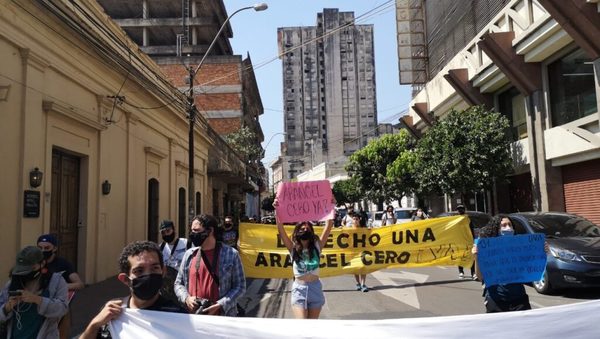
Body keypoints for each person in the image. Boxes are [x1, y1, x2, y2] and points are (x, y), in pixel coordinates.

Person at [80, 241, 185, 339]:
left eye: (154, 268)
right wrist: (94, 325)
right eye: (139, 271)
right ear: (125, 279)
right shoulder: (113, 312)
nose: (148, 275)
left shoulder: (177, 315)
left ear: (163, 271)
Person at [174, 214, 246, 316]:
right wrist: (186, 298)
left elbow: (240, 286)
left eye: (197, 230)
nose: (192, 234)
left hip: (222, 318)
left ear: (210, 231)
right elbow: (178, 284)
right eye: (192, 231)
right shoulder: (189, 254)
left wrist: (221, 304)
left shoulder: (231, 254)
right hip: (193, 318)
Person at [274, 200, 334, 319]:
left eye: (307, 229)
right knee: (302, 327)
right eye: (302, 229)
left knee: (311, 328)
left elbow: (329, 225)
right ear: (297, 232)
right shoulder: (292, 247)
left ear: (312, 232)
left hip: (315, 289)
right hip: (299, 290)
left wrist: (331, 205)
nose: (305, 231)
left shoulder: (317, 246)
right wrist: (277, 210)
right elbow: (280, 229)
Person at [0, 246, 68, 339]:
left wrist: (38, 300)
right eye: (22, 269)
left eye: (31, 268)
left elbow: (62, 308)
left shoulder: (56, 281)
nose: (26, 273)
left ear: (42, 263)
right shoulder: (12, 283)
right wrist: (7, 307)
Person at [472, 216, 532, 313]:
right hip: (496, 300)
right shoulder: (488, 250)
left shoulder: (519, 248)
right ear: (496, 230)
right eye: (503, 225)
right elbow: (480, 277)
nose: (508, 228)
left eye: (510, 225)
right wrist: (477, 257)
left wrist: (541, 252)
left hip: (519, 299)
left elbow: (530, 270)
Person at [37, 234, 84, 339]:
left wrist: (59, 286)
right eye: (40, 248)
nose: (43, 251)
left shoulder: (63, 264)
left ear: (55, 248)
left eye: (47, 248)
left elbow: (79, 284)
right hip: (40, 304)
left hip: (59, 306)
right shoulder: (36, 263)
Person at [158, 220, 189, 306]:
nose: (166, 234)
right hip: (167, 291)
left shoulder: (187, 244)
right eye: (163, 232)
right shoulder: (160, 248)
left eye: (168, 231)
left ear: (174, 230)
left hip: (184, 288)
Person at [348, 214, 370, 292]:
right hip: (353, 251)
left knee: (363, 267)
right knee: (356, 268)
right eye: (354, 219)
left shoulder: (364, 229)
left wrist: (370, 230)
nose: (355, 220)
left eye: (356, 219)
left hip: (362, 251)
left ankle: (363, 284)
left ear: (359, 219)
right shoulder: (349, 229)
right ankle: (358, 283)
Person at [456, 205, 476, 279]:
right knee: (460, 256)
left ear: (464, 210)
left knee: (471, 256)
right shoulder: (455, 219)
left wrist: (473, 239)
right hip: (459, 241)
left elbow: (471, 229)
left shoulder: (468, 219)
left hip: (468, 240)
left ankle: (473, 273)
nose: (460, 210)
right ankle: (461, 271)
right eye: (459, 209)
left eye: (461, 209)